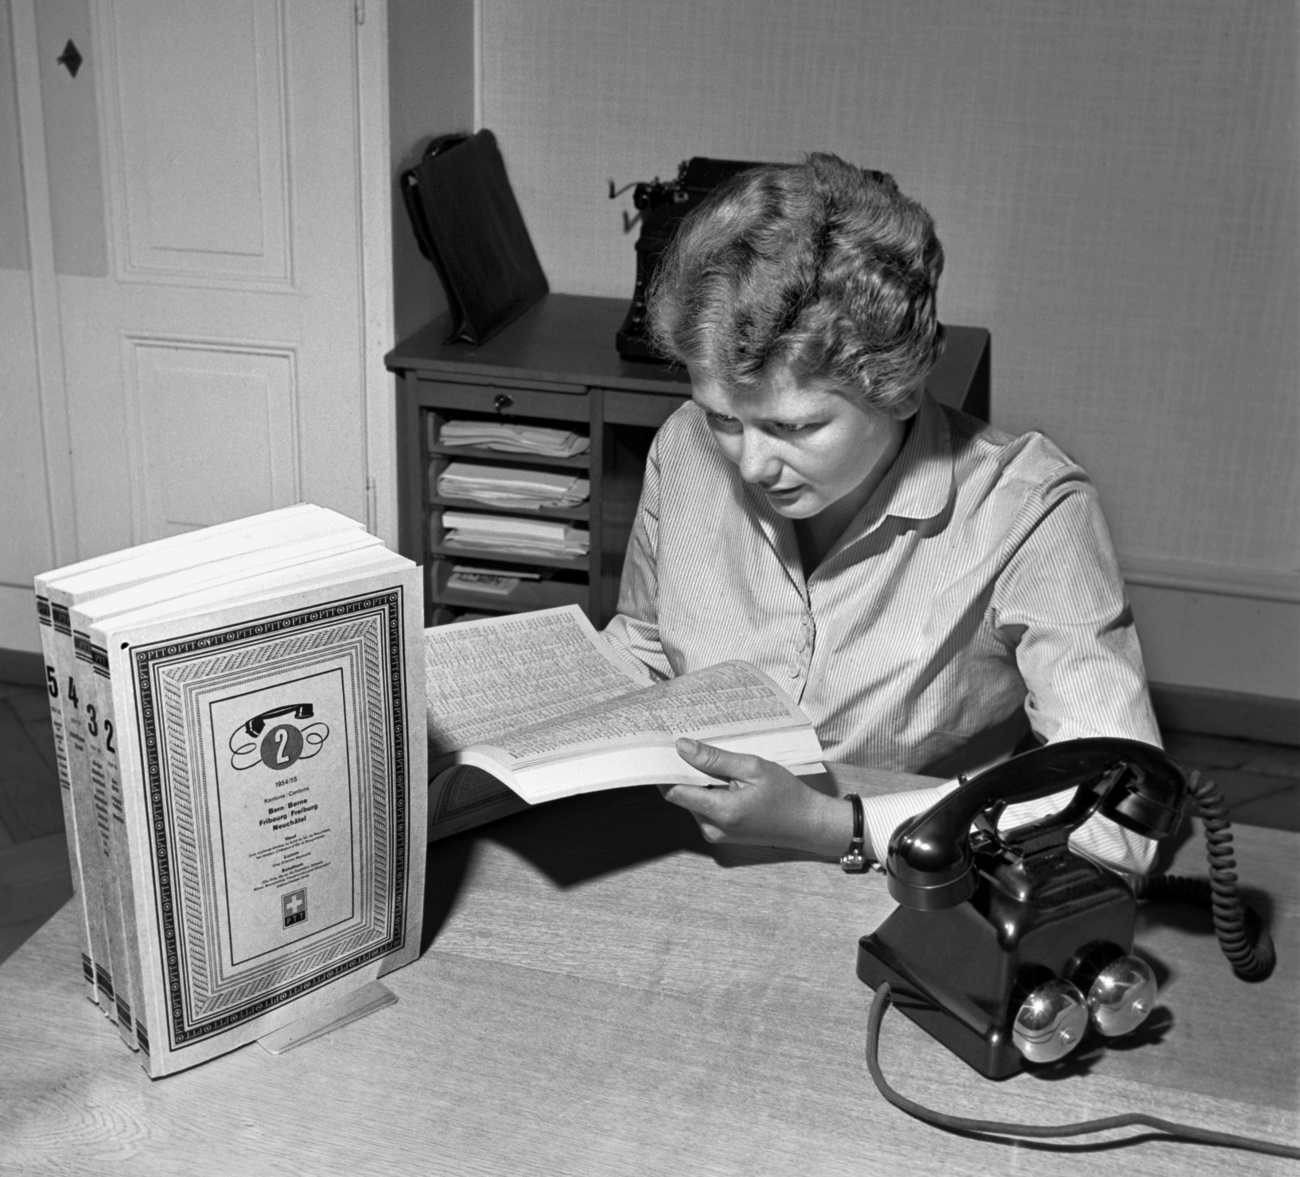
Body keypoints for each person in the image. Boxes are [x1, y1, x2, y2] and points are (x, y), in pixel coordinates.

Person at [600, 153, 1162, 874]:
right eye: (725, 419)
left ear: (897, 389)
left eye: (796, 428)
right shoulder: (684, 445)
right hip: (686, 853)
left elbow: (1119, 819)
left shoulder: (1031, 510)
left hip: (922, 883)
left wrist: (835, 825)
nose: (749, 465)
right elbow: (648, 643)